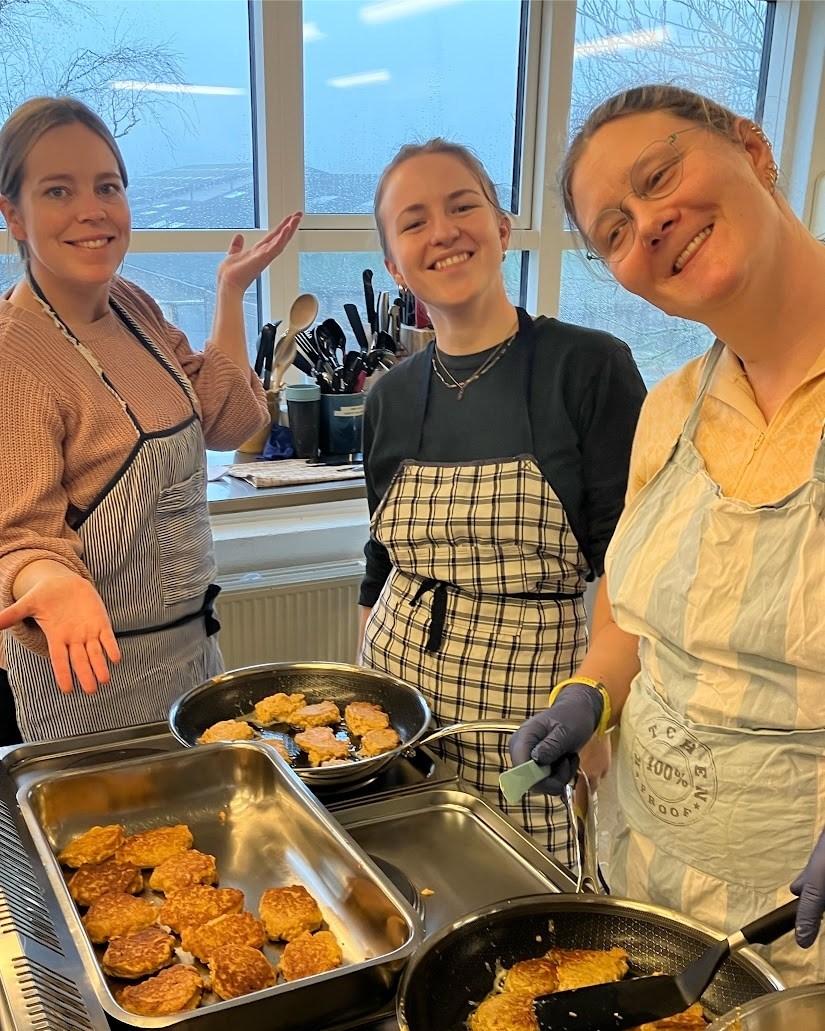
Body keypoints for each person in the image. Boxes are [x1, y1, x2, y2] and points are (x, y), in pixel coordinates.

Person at [510, 84, 825, 983]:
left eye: (657, 177)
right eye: (613, 229)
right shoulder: (671, 408)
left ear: (753, 150)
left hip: (798, 930)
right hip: (646, 878)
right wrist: (588, 692)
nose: (647, 225)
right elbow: (633, 615)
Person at [358, 138, 646, 866]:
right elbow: (378, 566)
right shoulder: (388, 398)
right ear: (394, 264)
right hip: (401, 708)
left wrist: (601, 712)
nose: (443, 231)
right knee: (410, 885)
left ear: (502, 227)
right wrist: (363, 711)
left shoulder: (587, 367)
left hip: (533, 714)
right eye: (413, 221)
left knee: (529, 901)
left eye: (462, 206)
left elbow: (634, 572)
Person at [0, 96, 301, 742]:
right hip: (86, 678)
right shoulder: (14, 356)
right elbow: (18, 535)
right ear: (14, 216)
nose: (92, 209)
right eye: (58, 190)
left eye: (107, 186)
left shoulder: (133, 307)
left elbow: (226, 419)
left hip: (187, 653)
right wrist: (49, 580)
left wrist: (230, 291)